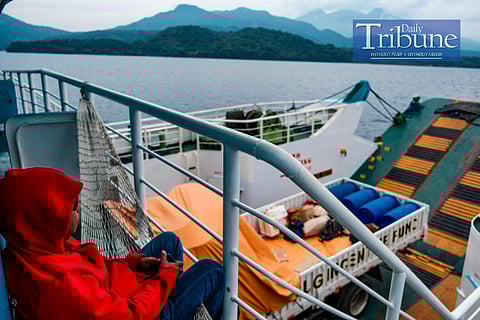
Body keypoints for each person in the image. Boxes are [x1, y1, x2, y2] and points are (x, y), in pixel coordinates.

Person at [0, 167, 225, 320]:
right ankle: (174, 308)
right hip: (138, 310)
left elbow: (87, 264)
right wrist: (164, 279)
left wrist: (134, 263)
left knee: (169, 242)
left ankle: (174, 299)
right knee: (212, 271)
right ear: (42, 219)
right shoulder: (59, 287)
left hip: (116, 290)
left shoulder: (31, 247)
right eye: (71, 208)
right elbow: (129, 315)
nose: (78, 209)